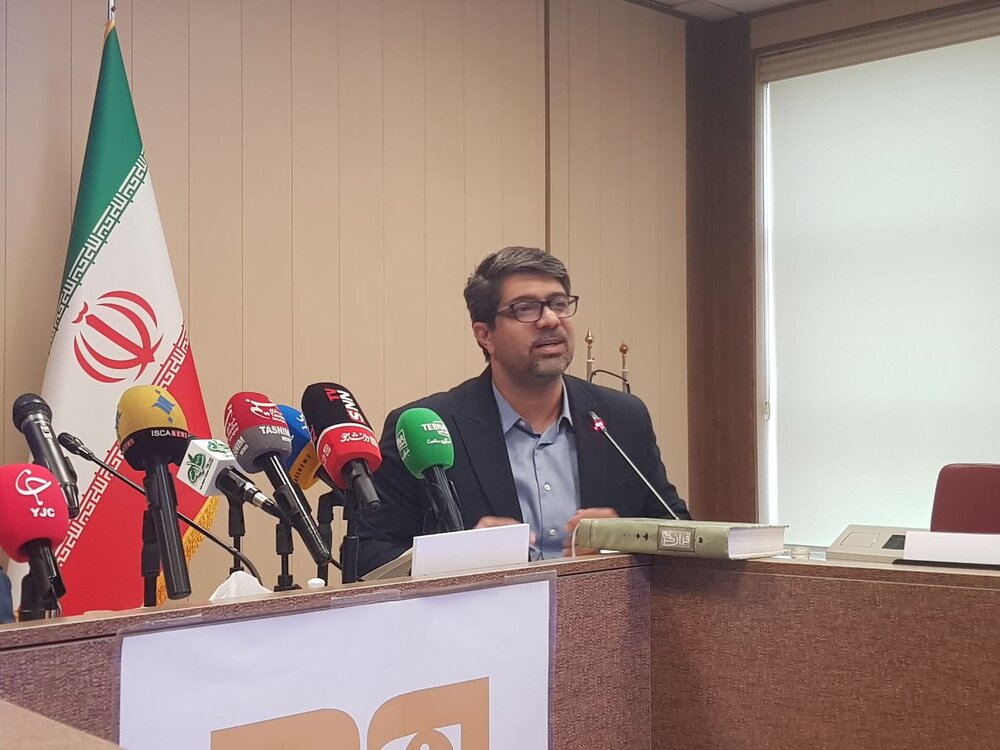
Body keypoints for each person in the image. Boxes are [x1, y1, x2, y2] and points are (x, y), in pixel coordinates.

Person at [358, 247, 689, 575]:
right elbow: (368, 556)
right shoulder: (429, 428)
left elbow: (679, 531)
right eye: (525, 308)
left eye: (559, 304)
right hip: (483, 609)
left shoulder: (623, 418)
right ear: (485, 335)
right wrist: (460, 557)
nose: (550, 319)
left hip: (603, 607)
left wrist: (625, 538)